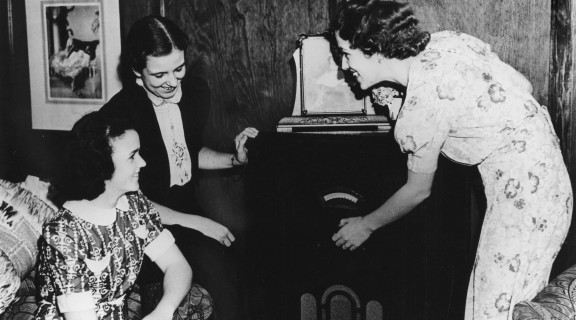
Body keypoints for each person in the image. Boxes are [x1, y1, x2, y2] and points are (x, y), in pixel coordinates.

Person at [328, 1, 573, 319]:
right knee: (510, 308)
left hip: (524, 202)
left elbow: (417, 191)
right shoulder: (449, 41)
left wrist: (365, 225)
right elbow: (523, 86)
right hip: (551, 182)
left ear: (374, 49)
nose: (344, 67)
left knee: (490, 313)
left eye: (347, 54)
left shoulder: (419, 111)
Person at [98, 15, 257, 320]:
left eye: (179, 68)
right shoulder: (118, 115)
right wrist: (195, 223)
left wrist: (234, 160)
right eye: (159, 75)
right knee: (212, 270)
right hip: (138, 222)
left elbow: (186, 153)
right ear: (136, 71)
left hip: (185, 209)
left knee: (238, 263)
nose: (172, 82)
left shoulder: (196, 93)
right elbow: (124, 200)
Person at [35, 111, 208, 320]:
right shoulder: (64, 233)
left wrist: (163, 311)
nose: (143, 163)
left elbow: (178, 266)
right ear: (102, 165)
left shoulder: (134, 205)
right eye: (133, 156)